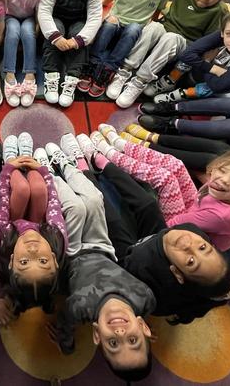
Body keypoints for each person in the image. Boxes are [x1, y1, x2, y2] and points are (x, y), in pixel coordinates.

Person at [45, 162, 156, 382]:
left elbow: (65, 324)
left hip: (72, 255)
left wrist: (66, 346)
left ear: (97, 335)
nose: (120, 333)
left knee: (76, 208)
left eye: (113, 343)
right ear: (143, 326)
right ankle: (68, 166)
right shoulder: (145, 299)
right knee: (95, 202)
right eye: (133, 339)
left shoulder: (80, 308)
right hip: (102, 247)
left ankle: (48, 173)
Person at [92, 160, 230, 324]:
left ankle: (83, 172)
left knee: (114, 224)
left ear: (177, 273)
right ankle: (104, 163)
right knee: (148, 205)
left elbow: (134, 255)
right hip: (159, 242)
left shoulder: (145, 270)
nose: (189, 246)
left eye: (191, 261)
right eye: (203, 248)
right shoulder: (194, 233)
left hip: (130, 264)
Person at [92, 127, 230, 250]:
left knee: (165, 179)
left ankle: (108, 157)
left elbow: (173, 226)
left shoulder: (220, 215)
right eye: (222, 170)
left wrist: (149, 225)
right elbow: (199, 197)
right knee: (176, 165)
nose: (224, 180)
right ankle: (122, 146)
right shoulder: (222, 189)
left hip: (182, 234)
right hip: (194, 209)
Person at [107, 0, 230, 108]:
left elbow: (209, 43)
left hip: (184, 44)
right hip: (165, 30)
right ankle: (125, 70)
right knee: (153, 27)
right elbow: (169, 15)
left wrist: (201, 63)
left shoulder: (220, 11)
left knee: (171, 38)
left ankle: (141, 80)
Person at [0, 132, 68, 314]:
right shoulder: (58, 239)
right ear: (55, 260)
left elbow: (4, 204)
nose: (33, 251)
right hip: (39, 225)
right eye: (42, 260)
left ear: (11, 263)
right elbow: (53, 200)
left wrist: (8, 169)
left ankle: (11, 158)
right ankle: (26, 159)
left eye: (24, 262)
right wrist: (41, 170)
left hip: (14, 226)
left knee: (22, 190)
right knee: (39, 189)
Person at [85, 0, 171, 97]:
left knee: (134, 29)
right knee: (110, 24)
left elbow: (159, 8)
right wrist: (101, 14)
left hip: (136, 26)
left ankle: (109, 69)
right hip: (116, 19)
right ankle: (92, 62)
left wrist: (153, 23)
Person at [149, 6, 230, 103]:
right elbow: (186, 54)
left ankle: (182, 94)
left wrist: (206, 61)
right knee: (189, 56)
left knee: (211, 88)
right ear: (222, 32)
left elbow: (219, 86)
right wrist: (212, 68)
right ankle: (171, 80)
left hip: (210, 83)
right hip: (208, 72)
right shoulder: (220, 35)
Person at [38, 0, 103, 107]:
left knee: (82, 34)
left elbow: (95, 17)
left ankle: (72, 78)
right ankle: (51, 75)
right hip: (57, 18)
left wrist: (78, 40)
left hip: (77, 21)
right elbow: (44, 9)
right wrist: (55, 36)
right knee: (54, 28)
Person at [1, 0, 45, 108]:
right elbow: (0, 14)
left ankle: (30, 73)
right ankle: (10, 74)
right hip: (10, 16)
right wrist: (1, 34)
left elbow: (40, 10)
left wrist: (38, 28)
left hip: (28, 17)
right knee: (13, 32)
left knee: (28, 32)